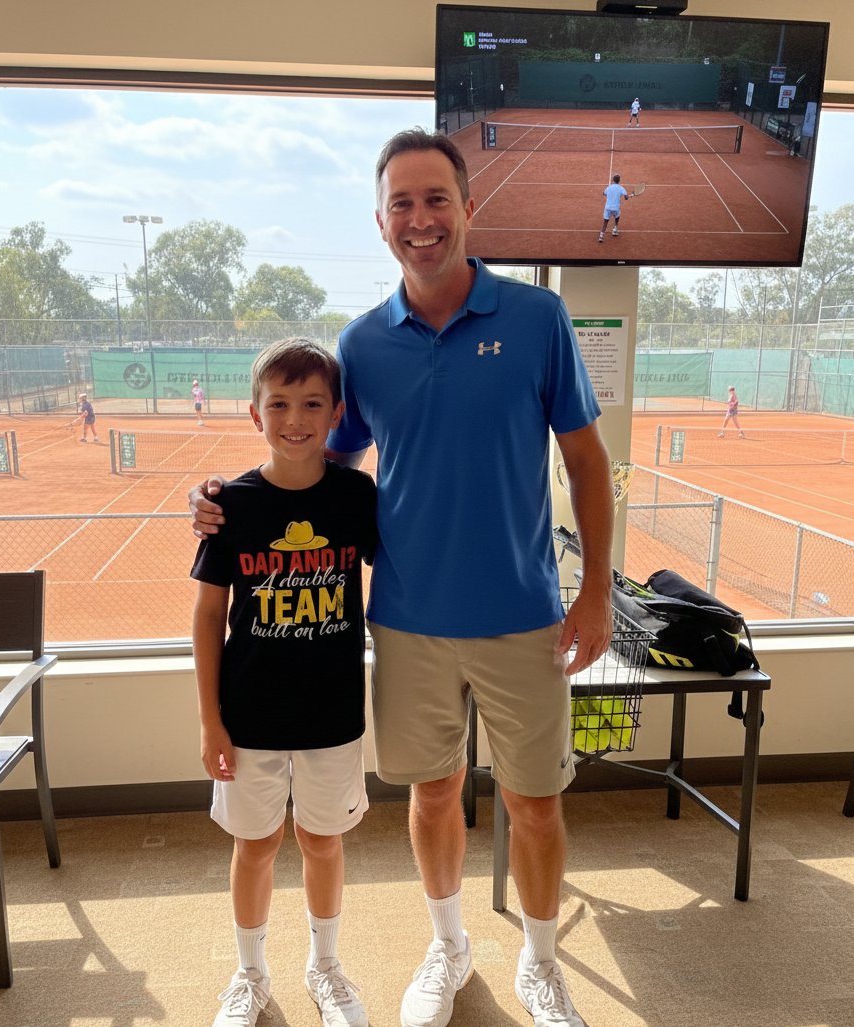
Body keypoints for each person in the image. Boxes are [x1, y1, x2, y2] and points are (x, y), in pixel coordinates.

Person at [190, 127, 614, 1027]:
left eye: (435, 199)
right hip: (408, 619)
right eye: (401, 204)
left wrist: (595, 591)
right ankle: (449, 946)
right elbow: (316, 466)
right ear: (380, 221)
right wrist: (228, 501)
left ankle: (540, 965)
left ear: (468, 207)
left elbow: (586, 461)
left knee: (535, 804)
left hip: (524, 614)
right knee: (432, 793)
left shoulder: (537, 319)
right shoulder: (361, 344)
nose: (420, 220)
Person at [191, 337, 377, 1027]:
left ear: (336, 414)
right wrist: (210, 720)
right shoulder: (231, 504)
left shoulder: (357, 497)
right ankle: (249, 975)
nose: (295, 419)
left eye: (312, 404)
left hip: (332, 713)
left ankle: (325, 966)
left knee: (322, 841)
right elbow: (208, 615)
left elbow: (411, 554)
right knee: (256, 846)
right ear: (254, 413)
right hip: (248, 716)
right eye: (278, 404)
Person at [599, 173, 629, 243]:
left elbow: (604, 193)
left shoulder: (609, 187)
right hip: (616, 208)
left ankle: (601, 236)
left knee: (605, 221)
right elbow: (626, 197)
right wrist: (626, 197)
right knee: (617, 216)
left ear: (613, 180)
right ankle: (615, 228)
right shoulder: (621, 188)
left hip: (608, 208)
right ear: (619, 180)